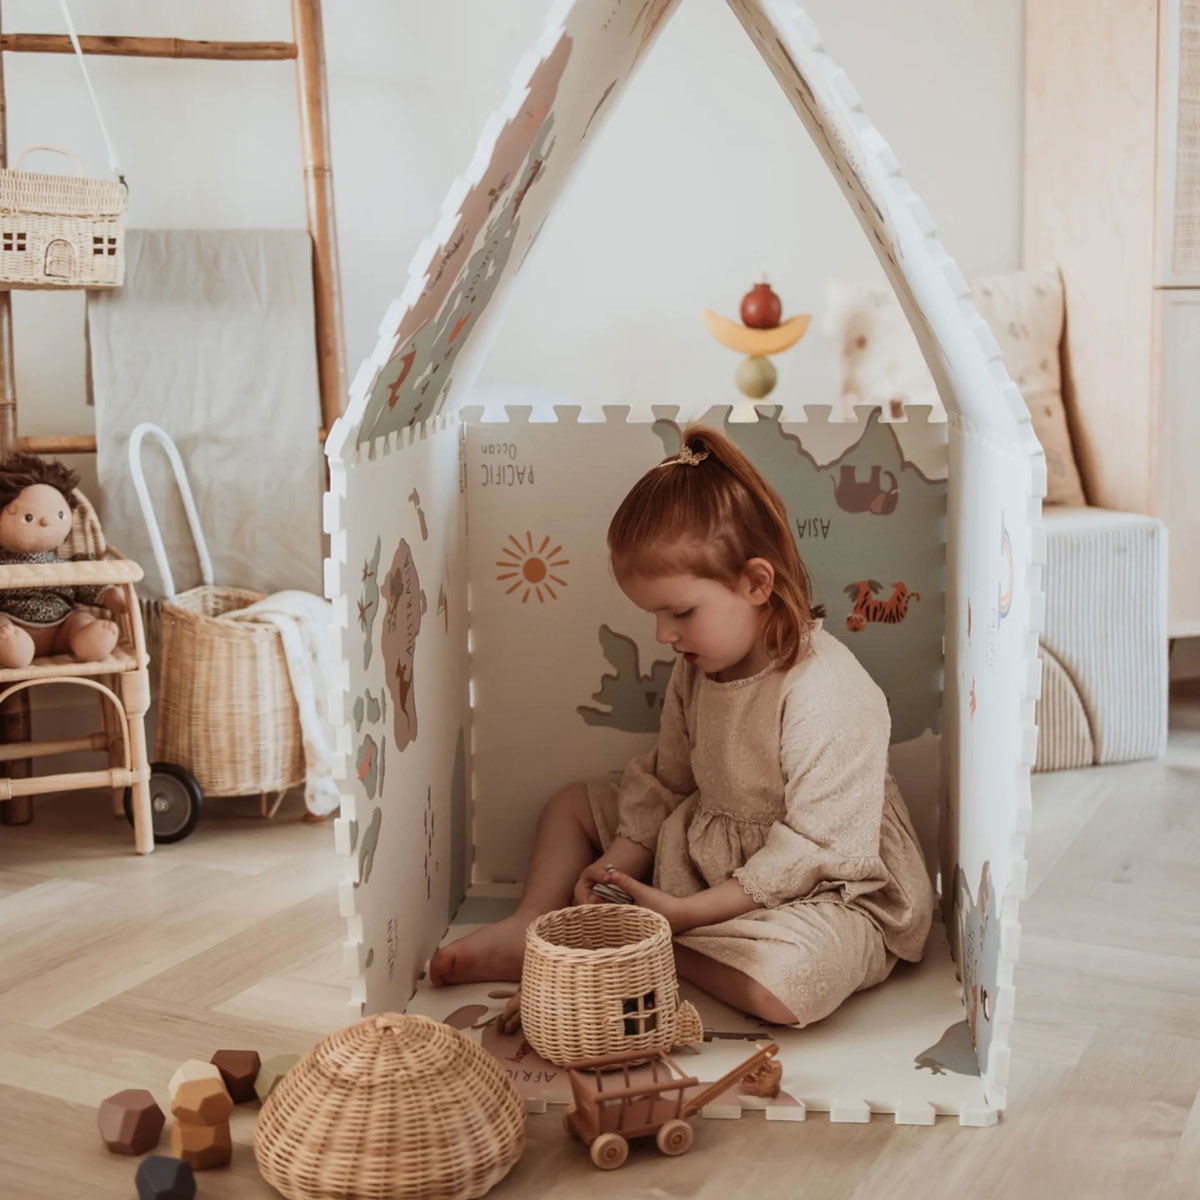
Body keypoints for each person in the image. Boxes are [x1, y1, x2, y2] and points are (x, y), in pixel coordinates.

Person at [431, 425, 933, 1025]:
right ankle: (531, 927)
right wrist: (617, 864)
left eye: (681, 612)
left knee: (789, 982)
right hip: (710, 850)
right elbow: (669, 780)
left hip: (821, 884)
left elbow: (820, 850)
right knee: (570, 805)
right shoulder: (698, 664)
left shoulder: (825, 689)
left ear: (757, 583)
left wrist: (681, 916)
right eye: (655, 615)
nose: (664, 634)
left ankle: (642, 949)